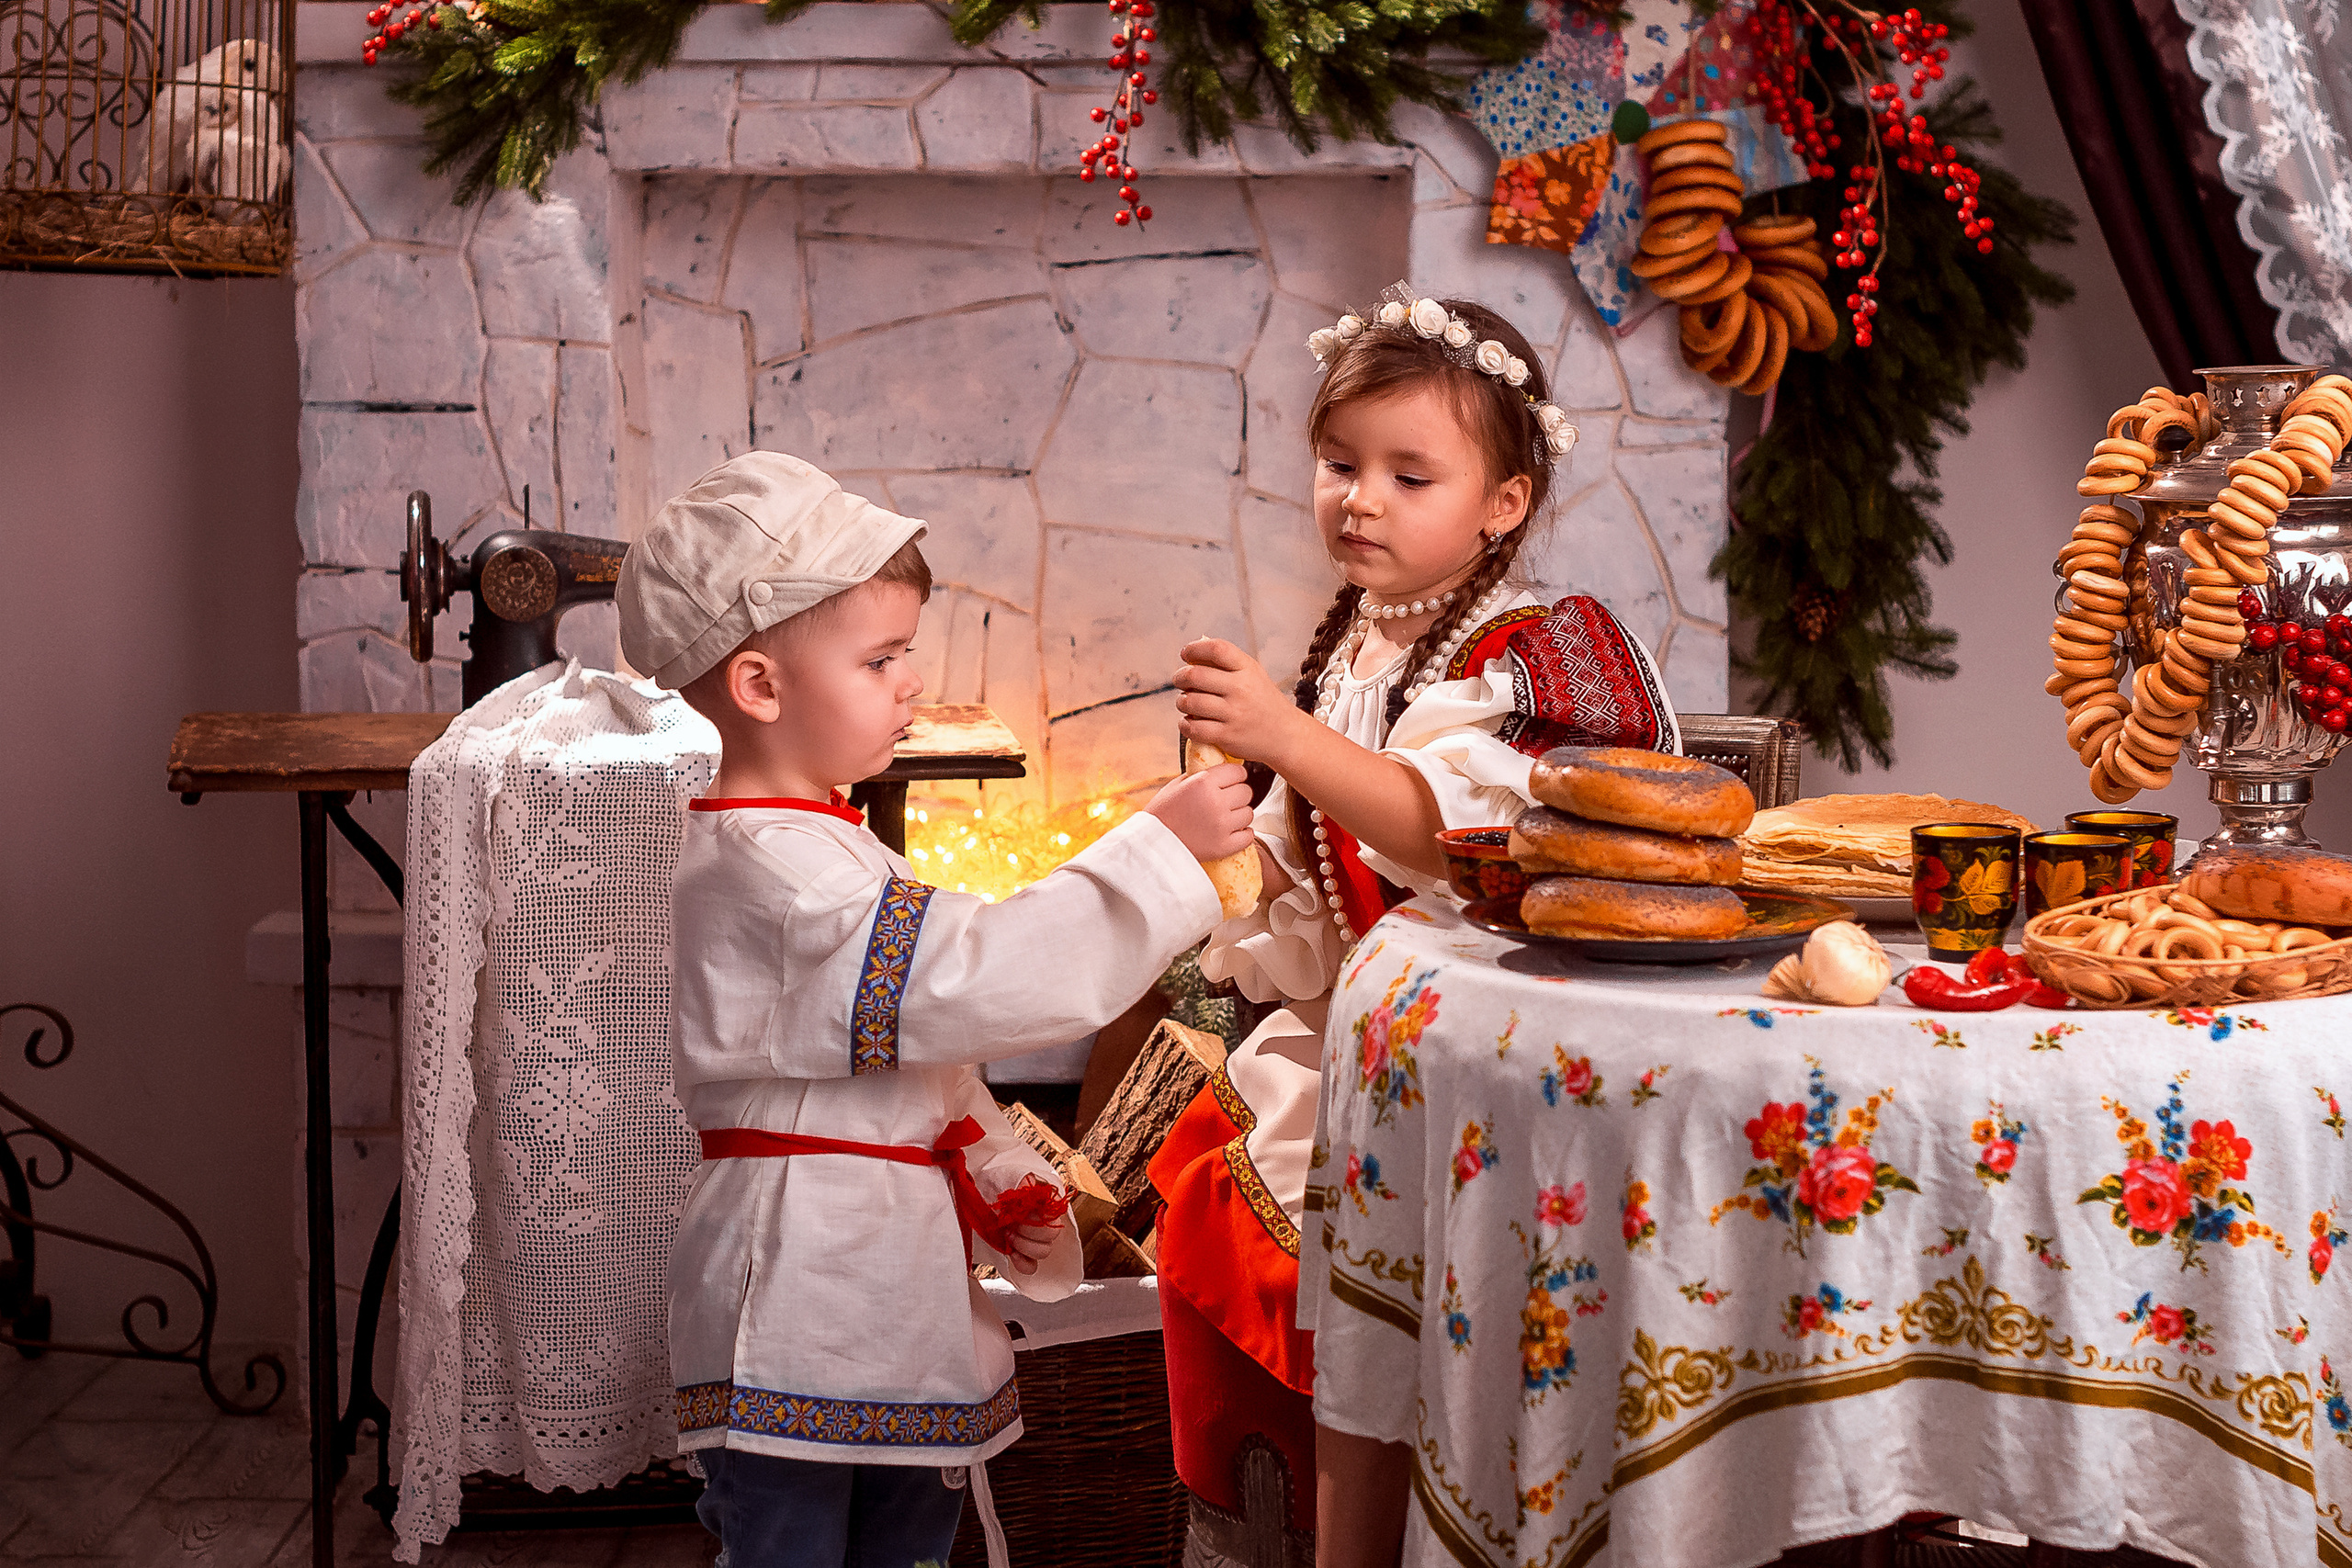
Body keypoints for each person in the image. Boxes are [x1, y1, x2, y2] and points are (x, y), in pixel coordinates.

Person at [617, 451, 1253, 1568]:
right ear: (760, 687)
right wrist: (1158, 850)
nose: (910, 681)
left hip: (870, 1259)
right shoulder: (775, 874)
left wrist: (996, 1167)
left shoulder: (818, 843)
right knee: (791, 1543)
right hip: (803, 1271)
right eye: (880, 658)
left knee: (907, 1528)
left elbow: (922, 1054)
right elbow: (972, 978)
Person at [1151, 290, 1679, 1565]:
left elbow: (1451, 834)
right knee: (1206, 1165)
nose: (1360, 500)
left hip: (1504, 1045)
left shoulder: (1537, 651)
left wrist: (1287, 737)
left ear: (1503, 502)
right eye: (1340, 465)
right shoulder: (1363, 642)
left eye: (1408, 473)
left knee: (1350, 1259)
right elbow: (1323, 879)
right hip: (1377, 1029)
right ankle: (1295, 1523)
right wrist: (1228, 838)